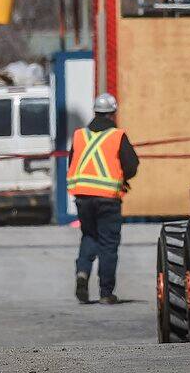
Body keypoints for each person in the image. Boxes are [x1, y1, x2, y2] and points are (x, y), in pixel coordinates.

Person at [68, 92, 139, 305]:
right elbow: (132, 165)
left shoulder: (80, 135)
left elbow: (73, 161)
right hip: (108, 197)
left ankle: (82, 272)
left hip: (82, 196)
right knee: (108, 244)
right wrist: (122, 178)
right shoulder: (117, 135)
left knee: (89, 236)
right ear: (113, 113)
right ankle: (106, 293)